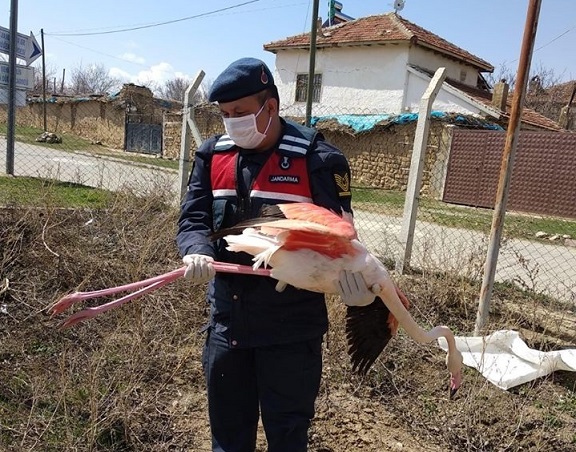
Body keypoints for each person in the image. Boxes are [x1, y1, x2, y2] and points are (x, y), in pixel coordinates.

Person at [176, 57, 374, 452]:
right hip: (227, 324)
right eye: (225, 114)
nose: (232, 122)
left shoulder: (318, 160)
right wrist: (196, 251)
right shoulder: (213, 156)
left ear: (271, 107)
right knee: (228, 439)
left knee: (287, 438)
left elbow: (340, 242)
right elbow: (194, 219)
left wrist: (359, 294)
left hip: (291, 332)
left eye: (241, 113)